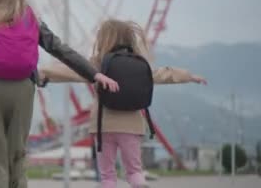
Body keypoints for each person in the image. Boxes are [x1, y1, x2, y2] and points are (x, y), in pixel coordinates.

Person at [0, 0, 118, 188]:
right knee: (17, 157)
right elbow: (60, 49)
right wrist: (94, 74)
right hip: (23, 88)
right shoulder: (30, 17)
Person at [39, 19, 207, 188]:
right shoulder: (139, 64)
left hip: (103, 126)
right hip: (132, 126)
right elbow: (162, 74)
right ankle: (139, 184)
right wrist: (189, 76)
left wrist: (43, 73)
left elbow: (70, 71)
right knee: (134, 171)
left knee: (107, 175)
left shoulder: (97, 64)